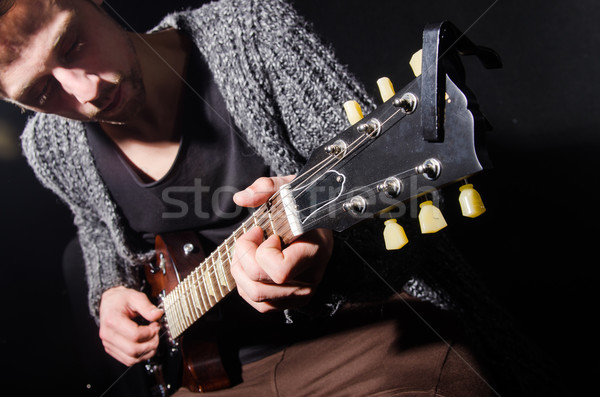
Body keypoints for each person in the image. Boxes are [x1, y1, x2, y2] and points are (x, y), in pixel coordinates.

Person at [0, 0, 549, 395]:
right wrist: (108, 295)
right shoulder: (50, 145)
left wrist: (329, 255)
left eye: (73, 43)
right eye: (40, 92)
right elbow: (95, 230)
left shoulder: (255, 37)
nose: (84, 90)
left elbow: (406, 227)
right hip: (213, 377)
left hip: (369, 333)